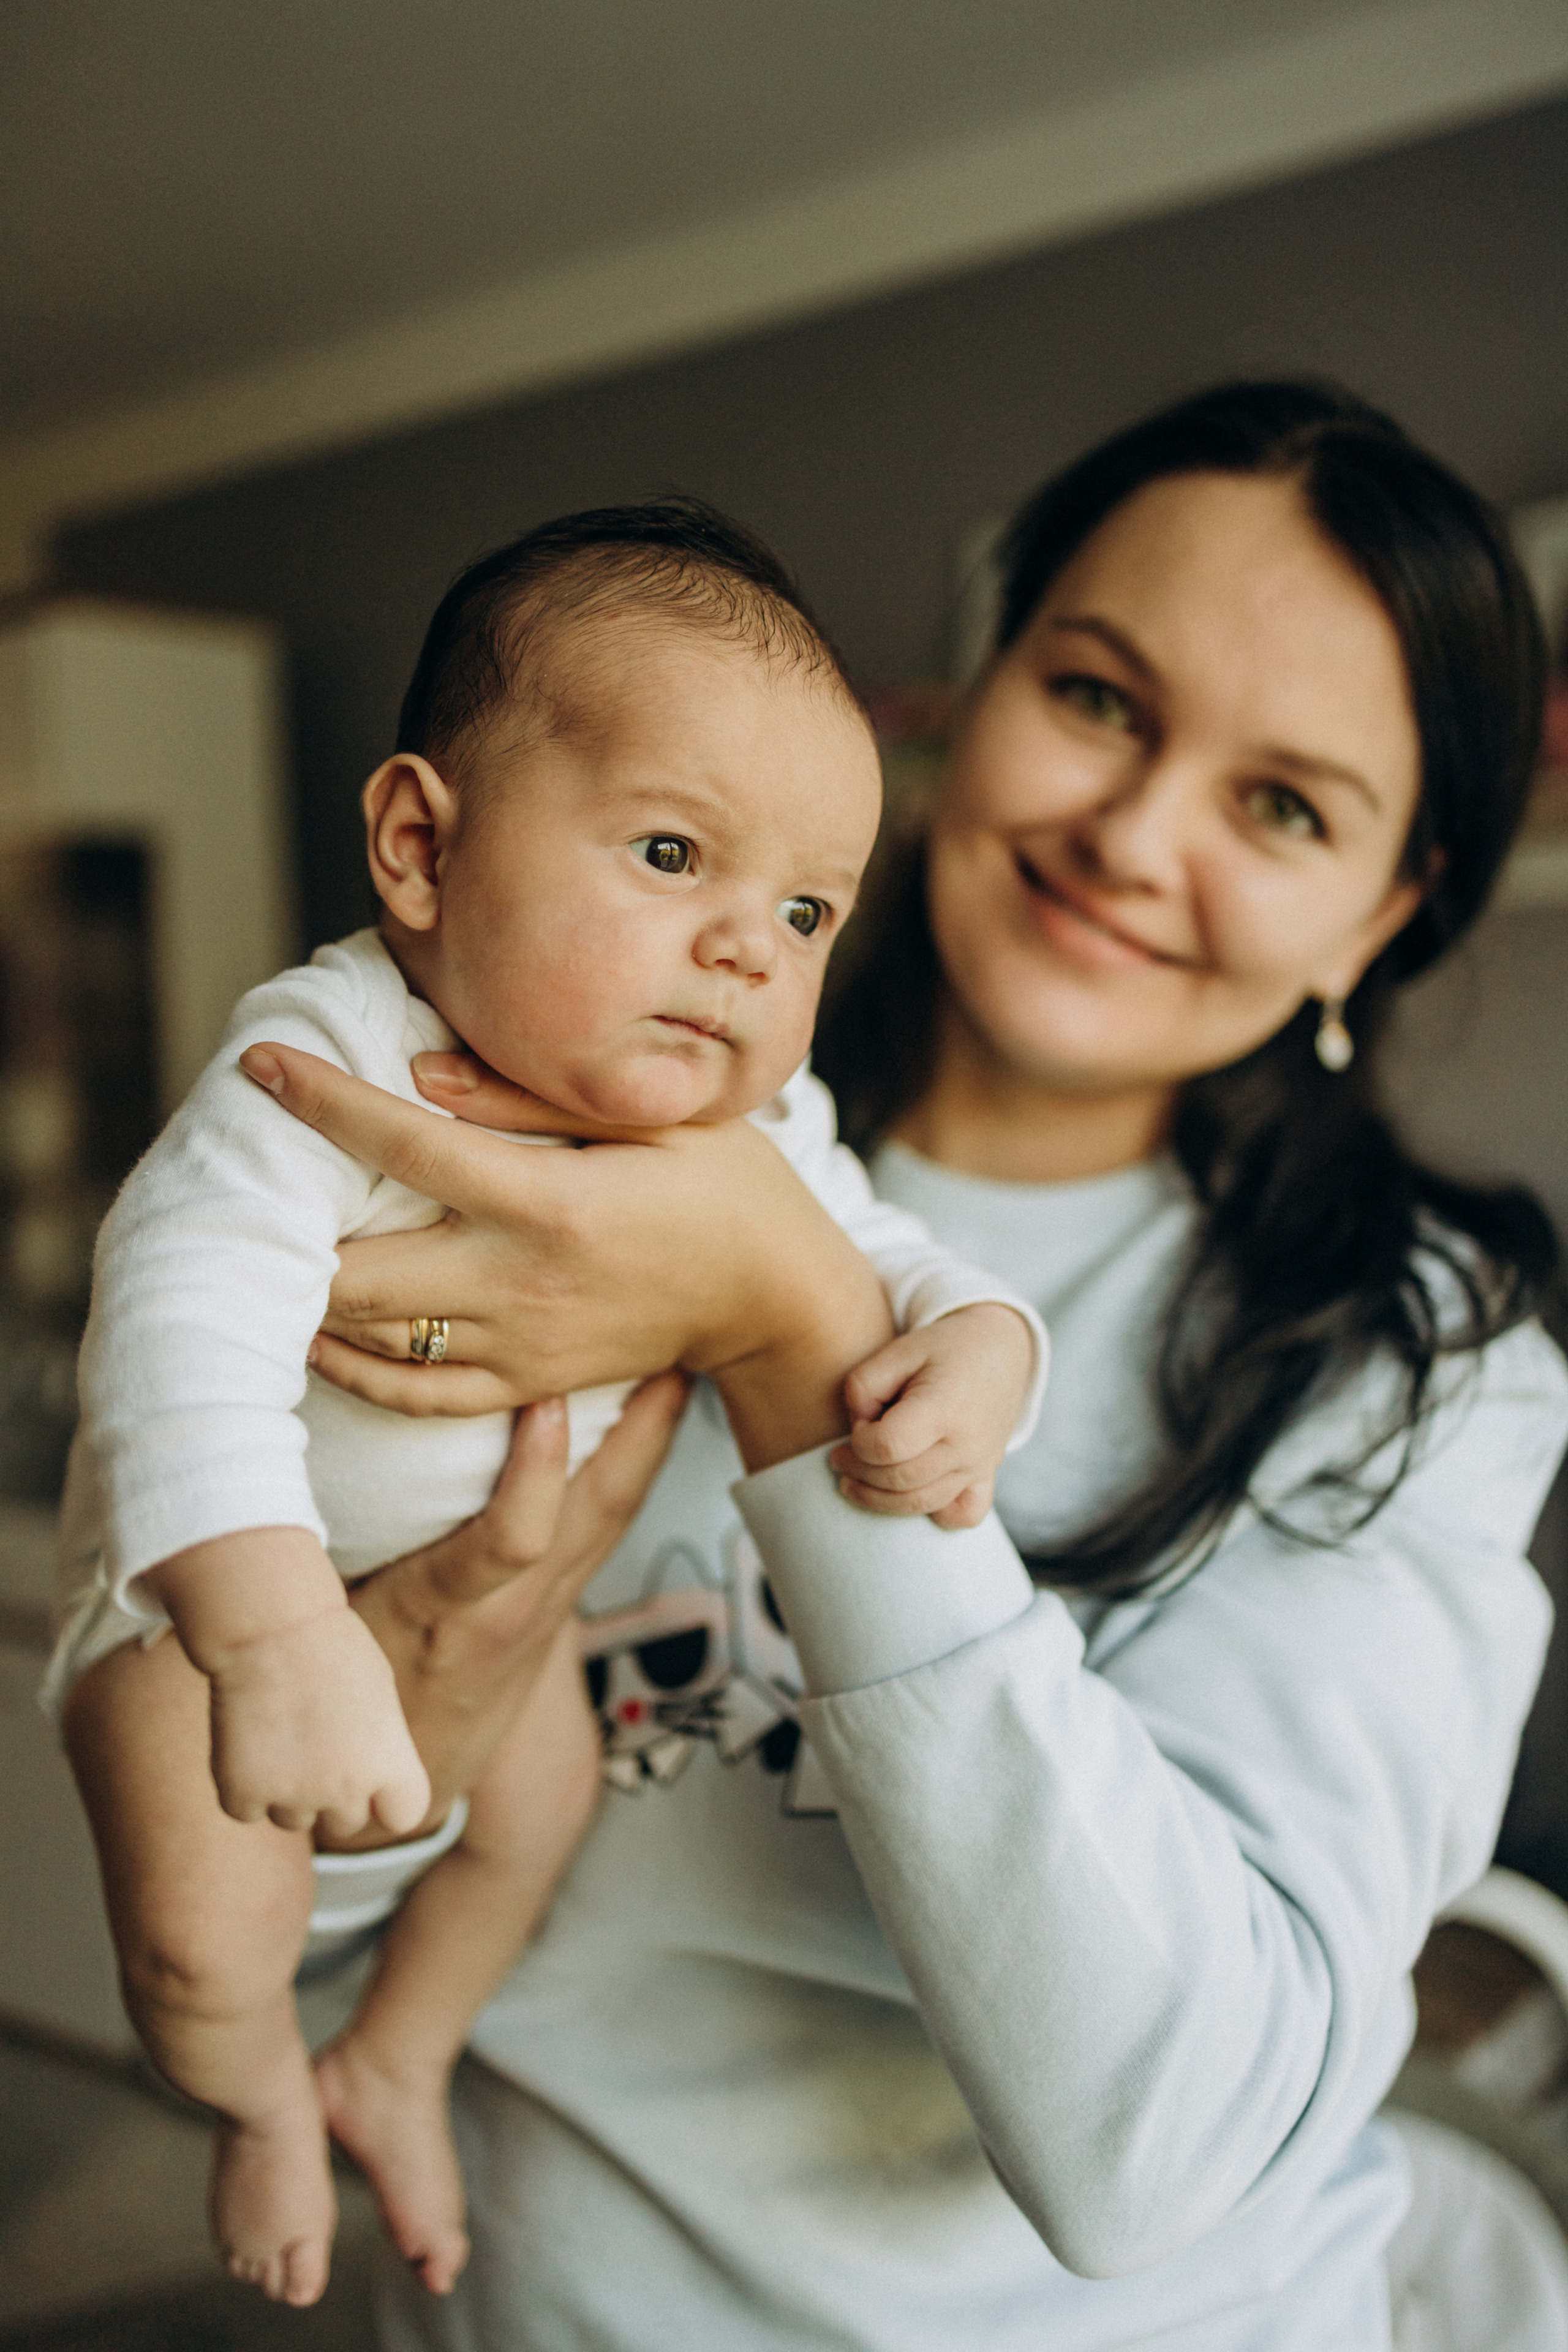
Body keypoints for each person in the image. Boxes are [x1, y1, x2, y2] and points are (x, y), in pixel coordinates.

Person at [81, 379, 1568, 2351]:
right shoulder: (492, 1105)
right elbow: (276, 1924)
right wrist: (437, 1671)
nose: (1132, 832)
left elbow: (1164, 2150)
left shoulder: (1424, 1358)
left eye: (1284, 806)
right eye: (1100, 700)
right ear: (971, 696)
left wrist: (789, 1321)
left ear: (1376, 919)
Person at [50, 503, 1046, 2309]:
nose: (752, 948)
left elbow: (895, 1260)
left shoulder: (751, 1139)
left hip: (507, 1643)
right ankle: (262, 2093)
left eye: (807, 907)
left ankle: (401, 2055)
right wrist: (274, 1631)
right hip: (206, 1613)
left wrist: (982, 1350)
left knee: (543, 1812)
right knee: (205, 1947)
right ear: (423, 848)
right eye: (675, 852)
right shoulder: (328, 1060)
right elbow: (174, 1310)